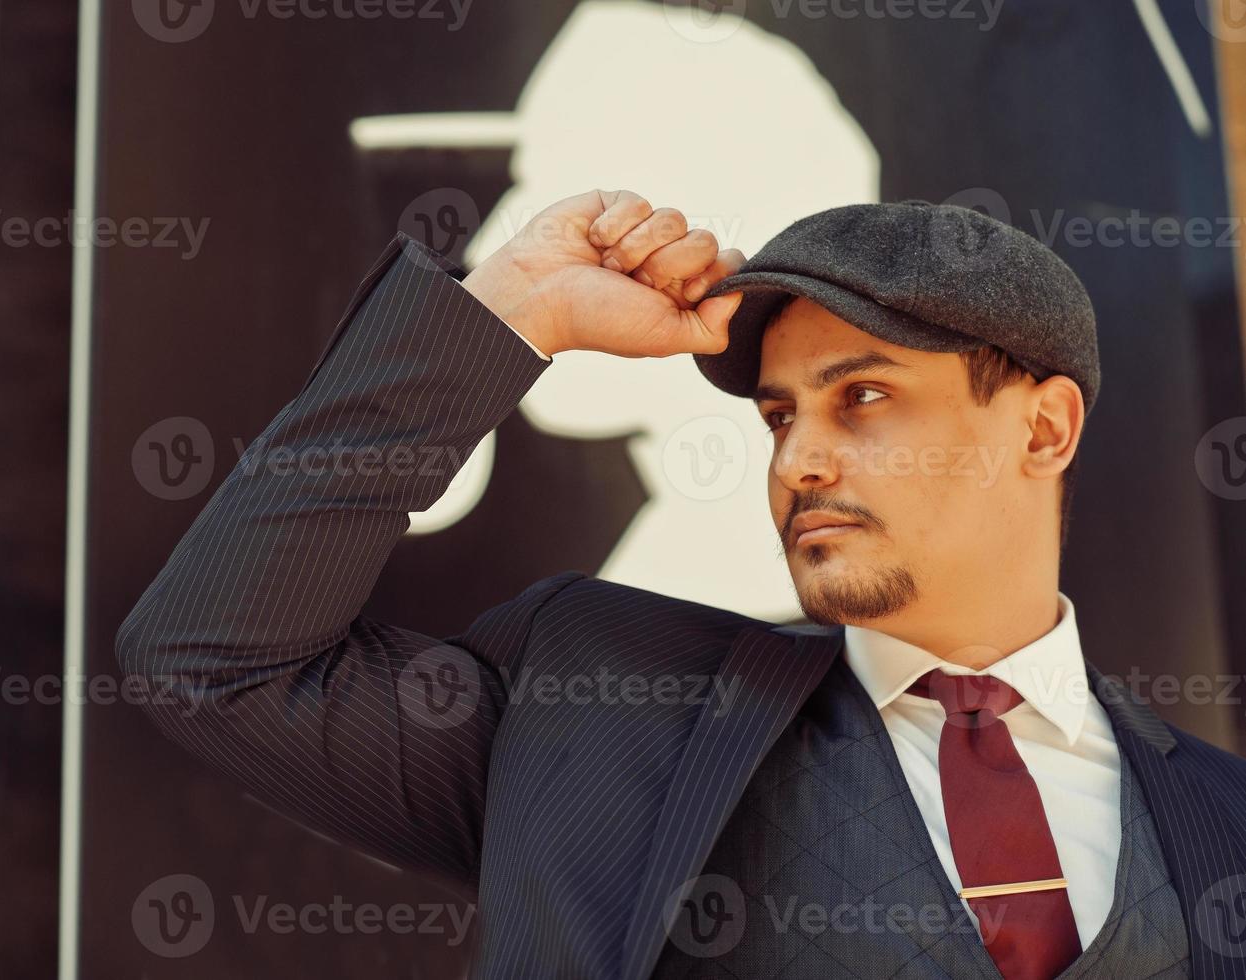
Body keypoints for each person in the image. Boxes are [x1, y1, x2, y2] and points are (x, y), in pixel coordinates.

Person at [116, 190, 1246, 980]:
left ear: (1043, 427)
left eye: (862, 397)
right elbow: (216, 657)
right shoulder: (601, 701)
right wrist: (509, 315)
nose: (798, 458)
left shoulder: (1220, 819)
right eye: (779, 414)